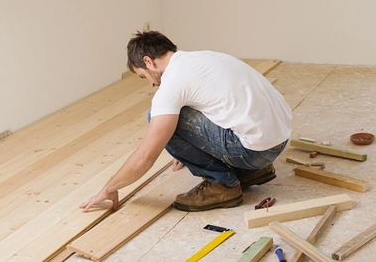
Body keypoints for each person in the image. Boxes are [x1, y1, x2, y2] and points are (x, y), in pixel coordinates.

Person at [80, 31, 291, 212]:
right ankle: (253, 172)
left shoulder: (172, 82)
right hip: (278, 141)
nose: (152, 84)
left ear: (148, 61)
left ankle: (222, 185)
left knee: (156, 116)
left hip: (254, 152)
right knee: (174, 115)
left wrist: (109, 188)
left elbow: (145, 156)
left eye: (144, 76)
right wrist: (193, 147)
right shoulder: (204, 58)